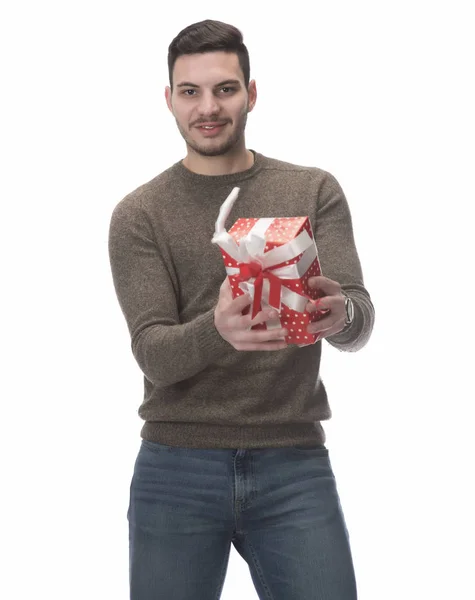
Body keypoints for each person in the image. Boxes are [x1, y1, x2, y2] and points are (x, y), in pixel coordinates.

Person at [108, 18, 375, 600]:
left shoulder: (313, 189)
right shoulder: (140, 214)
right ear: (169, 100)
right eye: (191, 91)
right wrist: (216, 330)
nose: (209, 107)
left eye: (225, 89)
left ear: (251, 94)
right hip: (175, 466)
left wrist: (340, 316)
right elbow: (153, 351)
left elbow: (358, 317)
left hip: (293, 462)